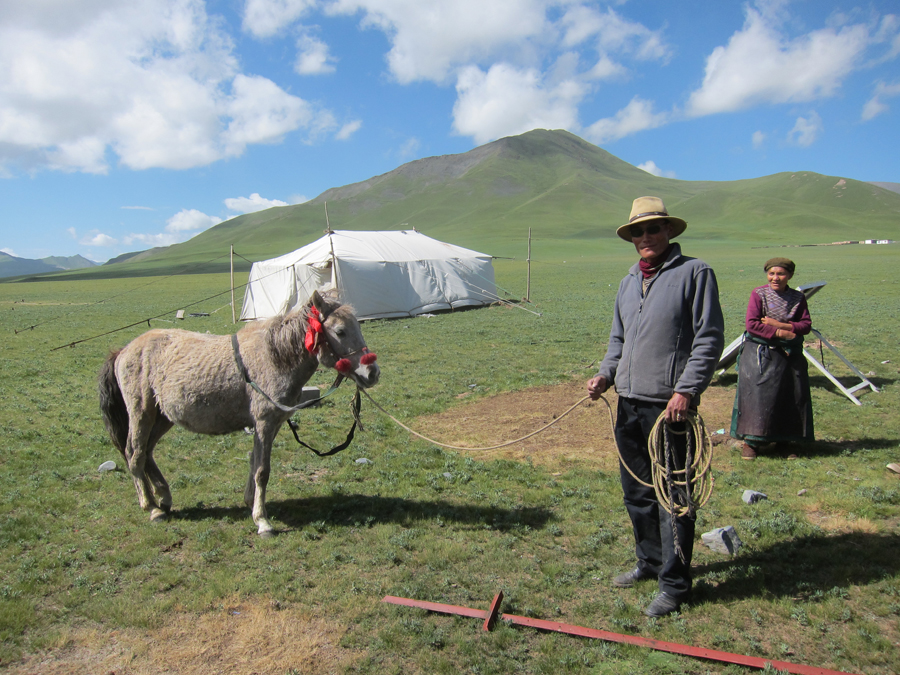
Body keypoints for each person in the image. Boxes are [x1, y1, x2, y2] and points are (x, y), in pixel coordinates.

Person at [587, 196, 724, 618]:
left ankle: (675, 584)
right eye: (638, 232)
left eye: (653, 229)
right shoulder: (629, 280)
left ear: (669, 231)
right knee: (637, 492)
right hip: (627, 402)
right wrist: (605, 375)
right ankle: (648, 562)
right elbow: (618, 340)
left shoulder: (694, 273)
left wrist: (686, 390)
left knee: (674, 496)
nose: (645, 237)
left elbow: (709, 338)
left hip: (670, 409)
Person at [730, 258, 813, 460]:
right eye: (771, 273)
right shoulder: (759, 294)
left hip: (789, 355)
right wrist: (782, 333)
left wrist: (780, 325)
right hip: (760, 351)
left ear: (790, 276)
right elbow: (752, 325)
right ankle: (751, 443)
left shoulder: (798, 298)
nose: (775, 278)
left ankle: (784, 442)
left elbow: (806, 325)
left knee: (789, 396)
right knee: (756, 397)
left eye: (781, 274)